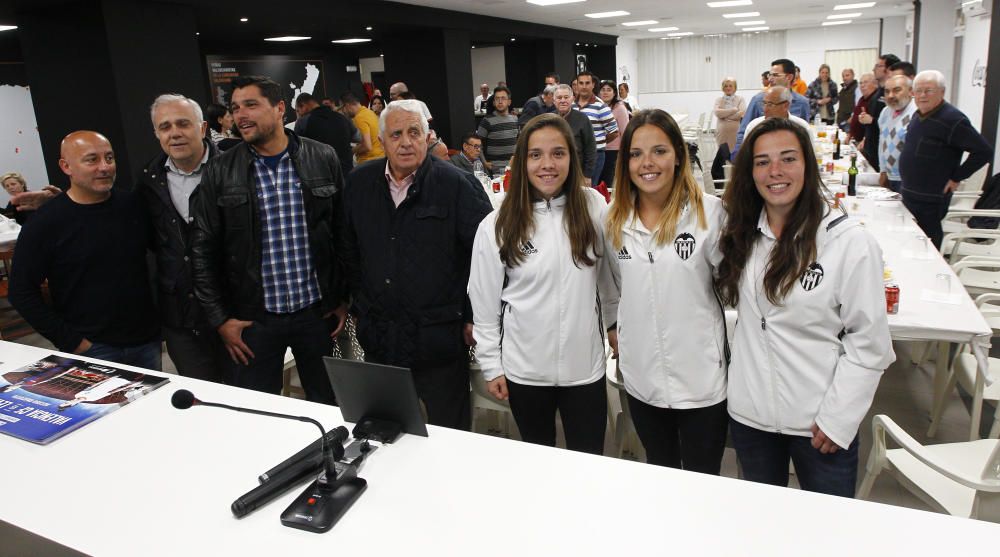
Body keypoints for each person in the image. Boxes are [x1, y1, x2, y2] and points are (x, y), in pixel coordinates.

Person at [716, 117, 895, 497]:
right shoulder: (741, 234)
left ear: (808, 165)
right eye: (762, 162)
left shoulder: (848, 243)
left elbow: (870, 343)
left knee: (827, 534)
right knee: (764, 526)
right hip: (751, 418)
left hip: (820, 424)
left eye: (787, 159)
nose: (775, 171)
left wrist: (839, 418)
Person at [190, 75, 347, 404]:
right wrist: (220, 319)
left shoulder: (323, 157)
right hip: (253, 321)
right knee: (257, 412)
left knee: (331, 406)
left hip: (315, 315)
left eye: (251, 104)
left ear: (279, 109)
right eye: (234, 108)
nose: (240, 115)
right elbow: (203, 250)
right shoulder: (220, 170)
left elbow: (341, 234)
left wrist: (341, 298)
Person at [337, 99, 492, 430]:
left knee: (449, 432)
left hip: (438, 335)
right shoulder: (359, 184)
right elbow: (348, 248)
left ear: (428, 136)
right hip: (380, 334)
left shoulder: (457, 185)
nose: (406, 142)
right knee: (385, 432)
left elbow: (485, 258)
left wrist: (471, 315)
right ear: (382, 141)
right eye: (396, 134)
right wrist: (361, 302)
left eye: (414, 132)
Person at [469, 113, 614, 455]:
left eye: (557, 153)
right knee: (538, 462)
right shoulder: (498, 224)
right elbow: (485, 306)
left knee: (589, 463)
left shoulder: (594, 206)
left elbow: (609, 280)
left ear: (571, 158)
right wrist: (491, 366)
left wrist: (614, 324)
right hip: (525, 372)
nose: (547, 164)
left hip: (585, 369)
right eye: (536, 155)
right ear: (522, 162)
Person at [604, 109, 728, 473]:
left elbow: (732, 289)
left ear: (678, 154)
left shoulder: (712, 214)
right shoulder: (613, 219)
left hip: (700, 381)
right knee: (659, 473)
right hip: (642, 379)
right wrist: (617, 329)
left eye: (659, 151)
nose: (647, 163)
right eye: (636, 154)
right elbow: (615, 286)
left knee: (704, 481)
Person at [9, 131, 161, 369]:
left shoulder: (132, 206)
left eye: (109, 158)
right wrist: (72, 341)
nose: (104, 167)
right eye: (92, 160)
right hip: (92, 348)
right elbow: (20, 291)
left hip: (146, 342)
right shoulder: (45, 223)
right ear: (66, 166)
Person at [138, 94, 226, 383]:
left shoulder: (234, 169)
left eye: (183, 124)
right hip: (181, 320)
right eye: (165, 127)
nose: (174, 133)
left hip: (235, 315)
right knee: (200, 402)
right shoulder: (148, 181)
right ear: (156, 134)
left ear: (202, 128)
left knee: (252, 401)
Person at [899, 70, 994, 248]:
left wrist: (957, 177)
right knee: (909, 240)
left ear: (942, 92)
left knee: (928, 242)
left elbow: (984, 151)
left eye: (928, 90)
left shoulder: (953, 119)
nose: (922, 95)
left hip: (931, 196)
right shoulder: (917, 115)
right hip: (910, 191)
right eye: (918, 90)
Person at [734, 59, 810, 154]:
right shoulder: (758, 100)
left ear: (789, 77)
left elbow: (805, 136)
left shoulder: (802, 103)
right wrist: (737, 159)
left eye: (775, 75)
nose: (770, 79)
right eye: (770, 75)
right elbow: (743, 132)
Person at [732, 86, 810, 157]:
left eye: (770, 104)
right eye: (764, 103)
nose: (765, 109)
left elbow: (809, 159)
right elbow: (746, 158)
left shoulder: (802, 127)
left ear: (786, 105)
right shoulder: (753, 127)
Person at [294, 92, 355, 178]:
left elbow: (296, 153)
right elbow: (359, 138)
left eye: (297, 111)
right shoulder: (343, 118)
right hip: (347, 176)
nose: (298, 114)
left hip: (322, 182)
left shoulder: (303, 122)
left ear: (303, 106)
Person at [576, 71, 619, 188]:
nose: (584, 86)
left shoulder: (601, 106)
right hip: (576, 155)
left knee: (589, 190)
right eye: (581, 83)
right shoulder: (572, 106)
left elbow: (614, 132)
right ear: (577, 85)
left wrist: (597, 143)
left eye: (587, 83)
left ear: (593, 85)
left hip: (595, 156)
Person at [877, 75, 917, 193]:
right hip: (890, 176)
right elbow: (882, 142)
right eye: (887, 91)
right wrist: (883, 170)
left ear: (911, 91)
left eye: (897, 90)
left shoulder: (916, 113)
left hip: (908, 180)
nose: (890, 96)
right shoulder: (886, 112)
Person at [553, 84, 597, 181]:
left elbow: (591, 148)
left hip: (577, 172)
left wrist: (587, 175)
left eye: (566, 97)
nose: (563, 101)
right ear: (554, 101)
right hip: (554, 172)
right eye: (559, 98)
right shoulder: (550, 119)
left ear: (572, 99)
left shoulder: (582, 119)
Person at [476, 85, 519, 176]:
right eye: (497, 99)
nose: (500, 101)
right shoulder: (487, 121)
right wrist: (484, 162)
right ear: (494, 102)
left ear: (509, 102)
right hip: (495, 170)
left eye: (503, 98)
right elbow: (477, 144)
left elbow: (519, 142)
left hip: (514, 167)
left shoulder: (515, 119)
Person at [597, 79, 630, 188]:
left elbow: (625, 131)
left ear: (614, 93)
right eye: (603, 90)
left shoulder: (619, 108)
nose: (605, 92)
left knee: (608, 182)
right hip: (598, 149)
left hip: (613, 151)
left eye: (609, 90)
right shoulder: (597, 107)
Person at [341, 91, 385, 163]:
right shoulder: (370, 112)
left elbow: (367, 146)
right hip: (380, 158)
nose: (343, 112)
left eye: (342, 108)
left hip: (368, 162)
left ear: (347, 106)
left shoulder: (359, 118)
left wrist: (350, 151)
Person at [713, 77, 746, 151]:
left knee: (735, 154)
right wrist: (733, 110)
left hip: (735, 132)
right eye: (726, 86)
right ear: (723, 88)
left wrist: (725, 115)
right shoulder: (718, 100)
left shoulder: (740, 99)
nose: (728, 88)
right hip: (722, 132)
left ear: (735, 88)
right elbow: (718, 113)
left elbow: (741, 113)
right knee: (722, 154)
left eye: (730, 86)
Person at [848, 73, 878, 144]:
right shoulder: (862, 99)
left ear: (875, 84)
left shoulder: (876, 100)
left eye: (865, 82)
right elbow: (855, 117)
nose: (862, 85)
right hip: (856, 140)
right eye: (860, 83)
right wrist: (850, 134)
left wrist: (865, 140)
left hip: (867, 143)